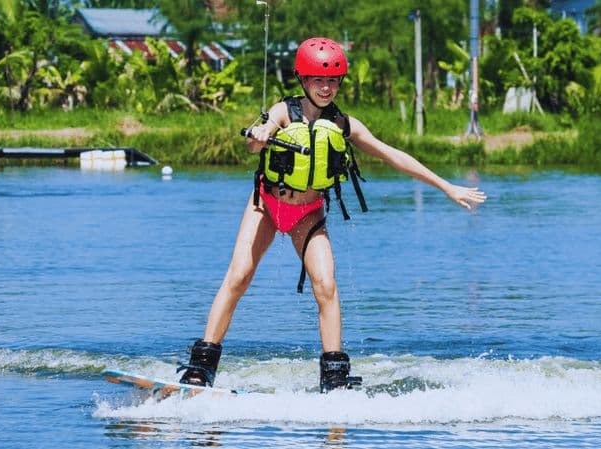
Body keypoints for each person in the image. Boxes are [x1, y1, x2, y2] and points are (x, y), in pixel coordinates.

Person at [178, 37, 486, 393]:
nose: (326, 88)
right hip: (266, 205)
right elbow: (256, 139)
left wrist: (447, 186)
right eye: (318, 80)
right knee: (239, 276)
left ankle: (335, 378)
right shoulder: (283, 111)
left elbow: (393, 155)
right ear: (303, 79)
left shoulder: (343, 124)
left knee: (326, 285)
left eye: (333, 81)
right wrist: (260, 135)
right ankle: (201, 369)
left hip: (308, 215)